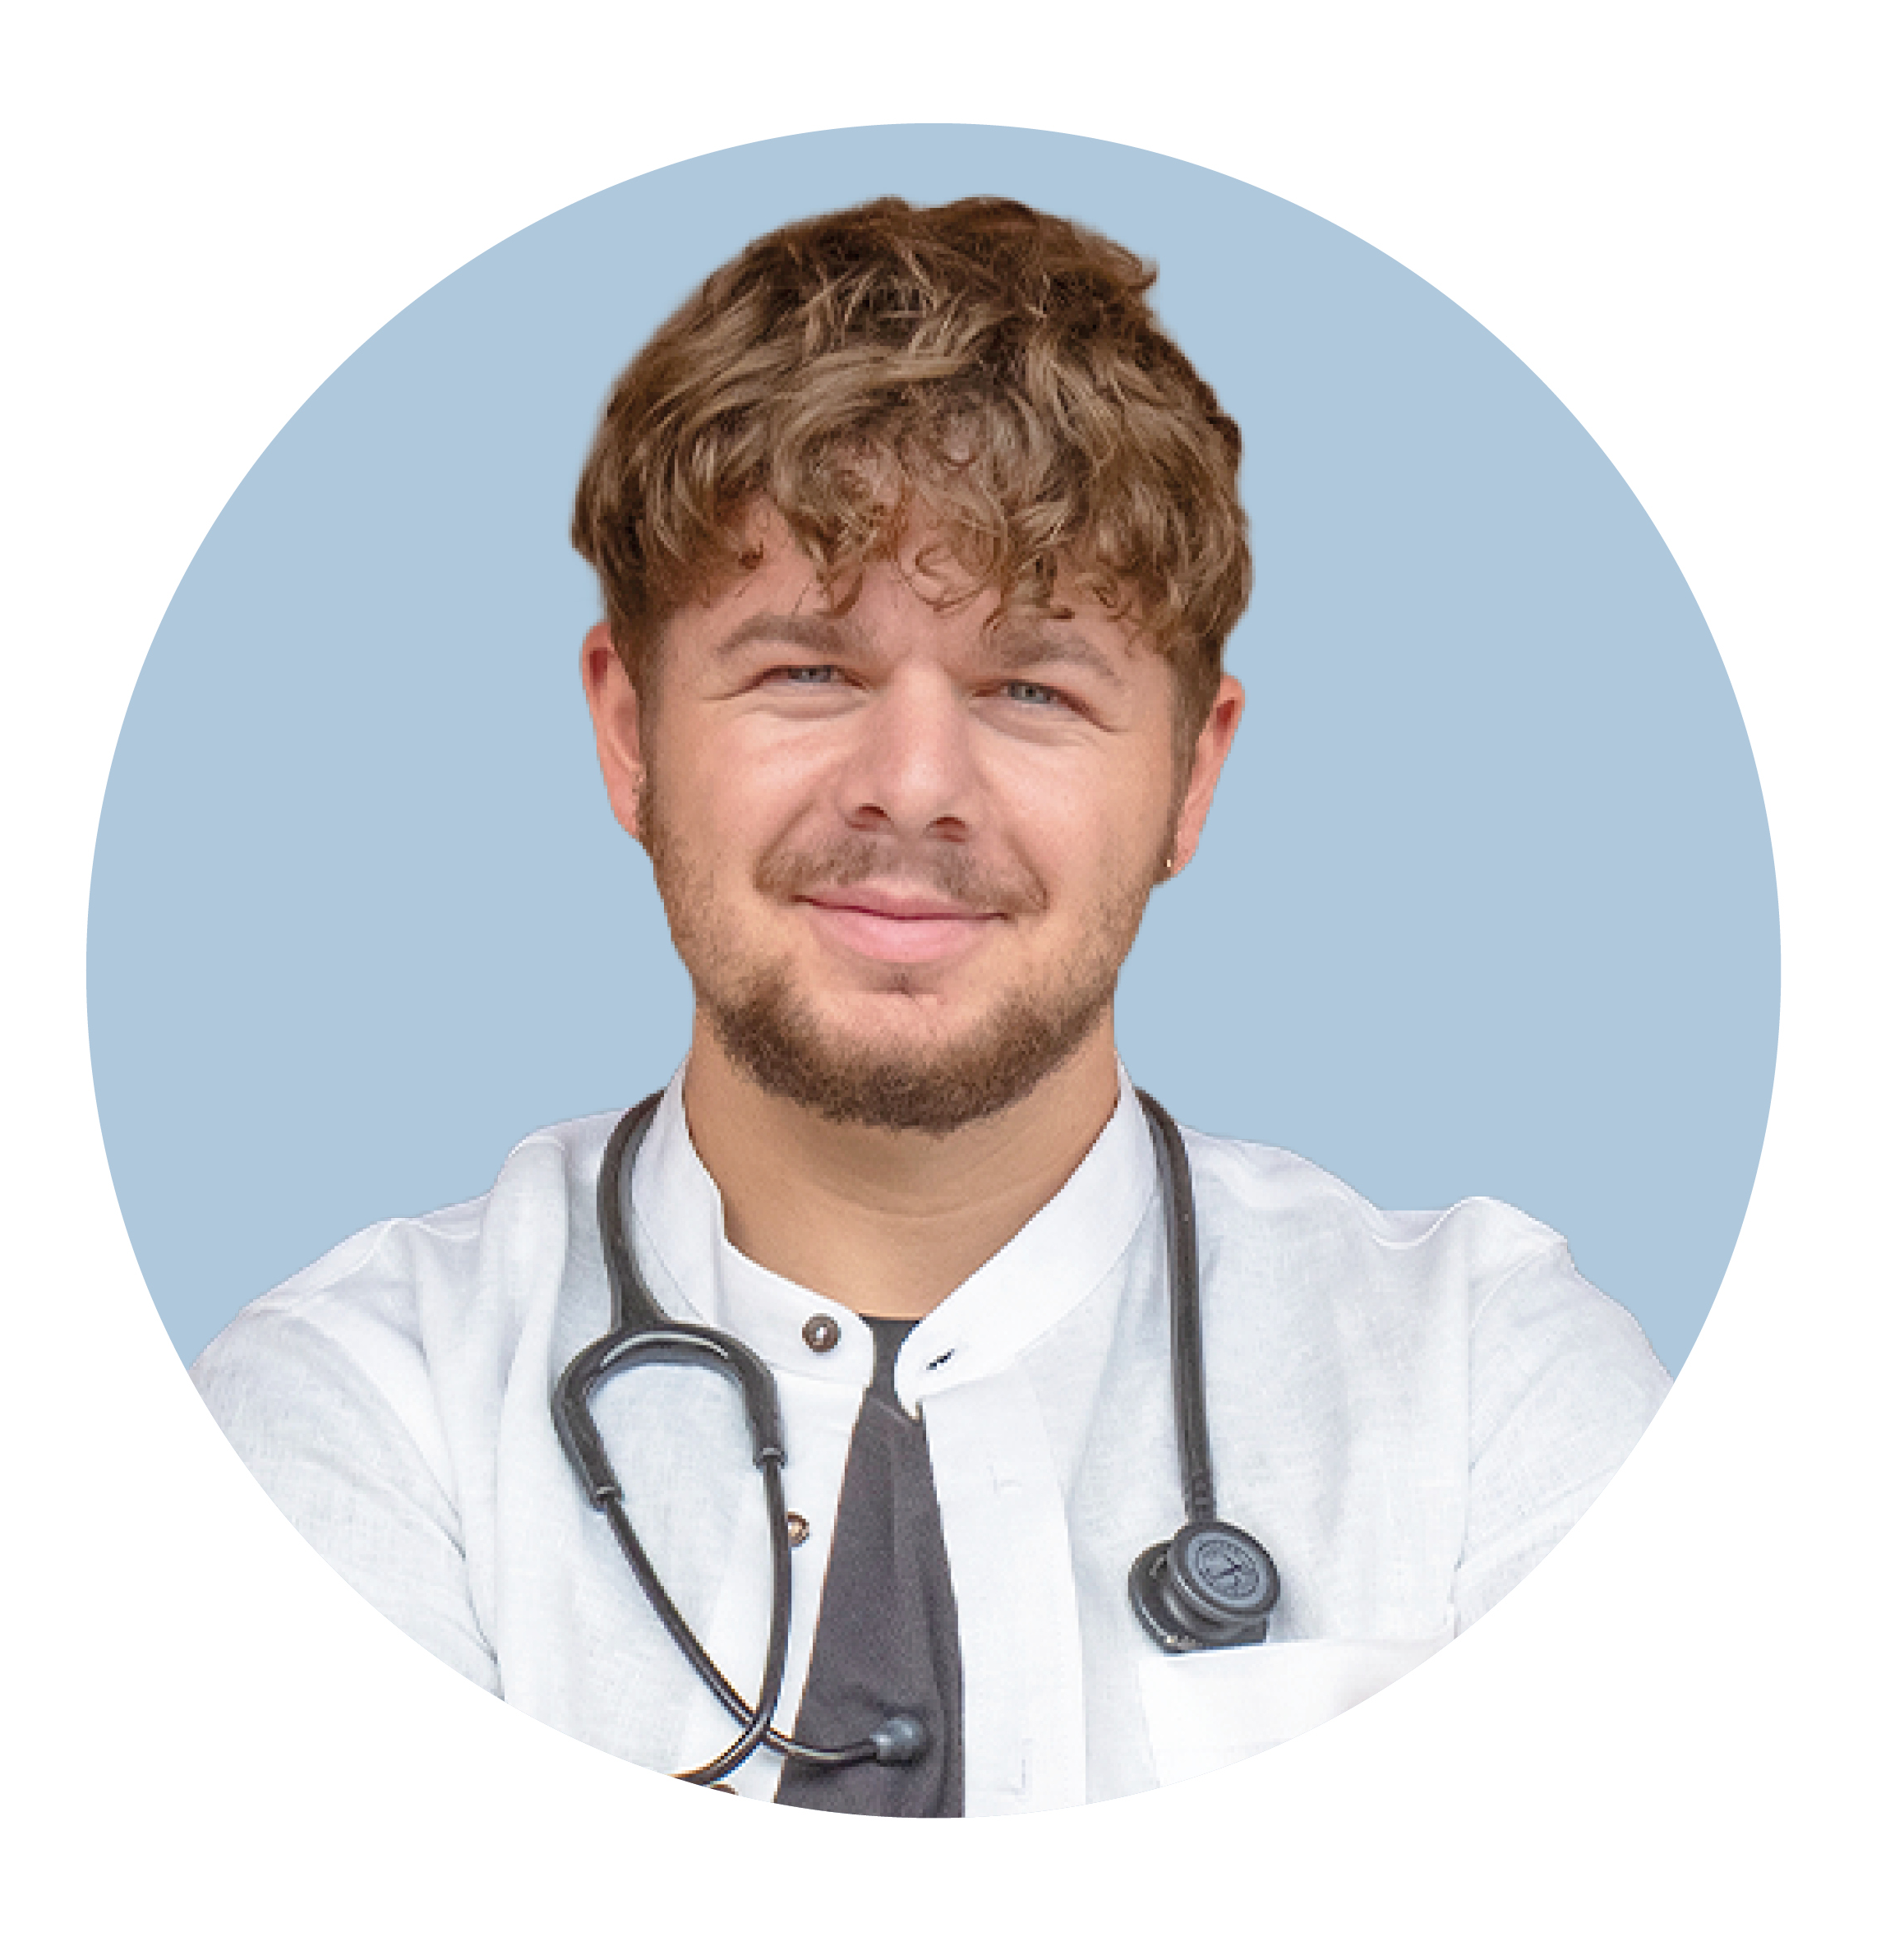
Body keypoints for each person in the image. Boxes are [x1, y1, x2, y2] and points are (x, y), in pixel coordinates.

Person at [192, 195, 1670, 1815]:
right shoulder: (351, 1414)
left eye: (1032, 686)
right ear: (627, 729)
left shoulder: (1492, 1393)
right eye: (807, 668)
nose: (911, 787)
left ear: (1192, 772)